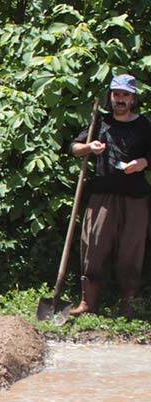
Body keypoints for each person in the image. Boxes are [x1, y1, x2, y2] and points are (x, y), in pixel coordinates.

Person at [68, 73, 151, 319]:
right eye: (116, 94)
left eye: (125, 95)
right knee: (94, 246)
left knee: (130, 250)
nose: (120, 100)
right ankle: (88, 302)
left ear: (133, 98)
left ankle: (127, 303)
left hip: (135, 198)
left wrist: (142, 162)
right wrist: (88, 148)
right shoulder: (100, 122)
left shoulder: (144, 125)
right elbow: (74, 147)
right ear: (111, 96)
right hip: (102, 195)